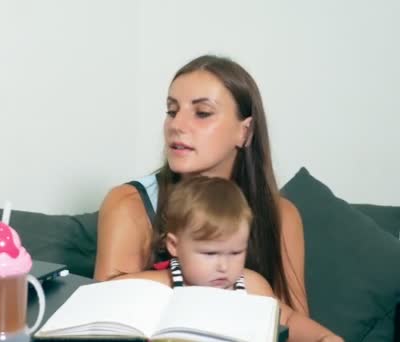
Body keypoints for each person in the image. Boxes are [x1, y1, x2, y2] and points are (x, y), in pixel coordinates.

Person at [94, 54, 334, 337]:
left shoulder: (282, 215)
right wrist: (185, 277)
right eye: (172, 111)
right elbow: (104, 317)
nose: (176, 125)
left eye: (202, 112)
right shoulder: (128, 204)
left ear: (245, 132)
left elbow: (289, 326)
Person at [157, 175, 342, 341]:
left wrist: (323, 337)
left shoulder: (250, 285)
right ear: (174, 245)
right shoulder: (163, 284)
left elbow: (287, 319)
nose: (223, 266)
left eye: (236, 253)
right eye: (210, 254)